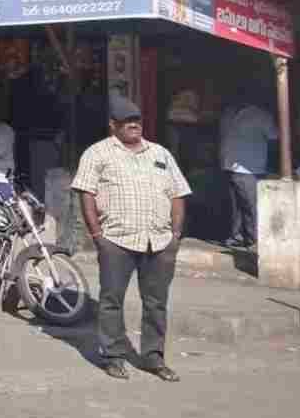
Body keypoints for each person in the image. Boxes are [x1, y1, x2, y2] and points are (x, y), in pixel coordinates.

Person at [72, 92, 191, 383]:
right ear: (113, 125)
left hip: (160, 241)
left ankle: (153, 357)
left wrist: (175, 234)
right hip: (117, 240)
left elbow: (177, 192)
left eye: (137, 121)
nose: (134, 126)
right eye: (127, 122)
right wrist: (97, 235)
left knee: (156, 303)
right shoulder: (97, 153)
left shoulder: (160, 154)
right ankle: (113, 355)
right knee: (111, 300)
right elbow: (86, 193)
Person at [218, 90, 278, 250]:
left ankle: (254, 241)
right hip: (229, 166)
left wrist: (273, 166)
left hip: (250, 169)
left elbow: (274, 141)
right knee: (236, 207)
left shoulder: (261, 116)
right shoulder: (228, 113)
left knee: (251, 207)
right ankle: (237, 237)